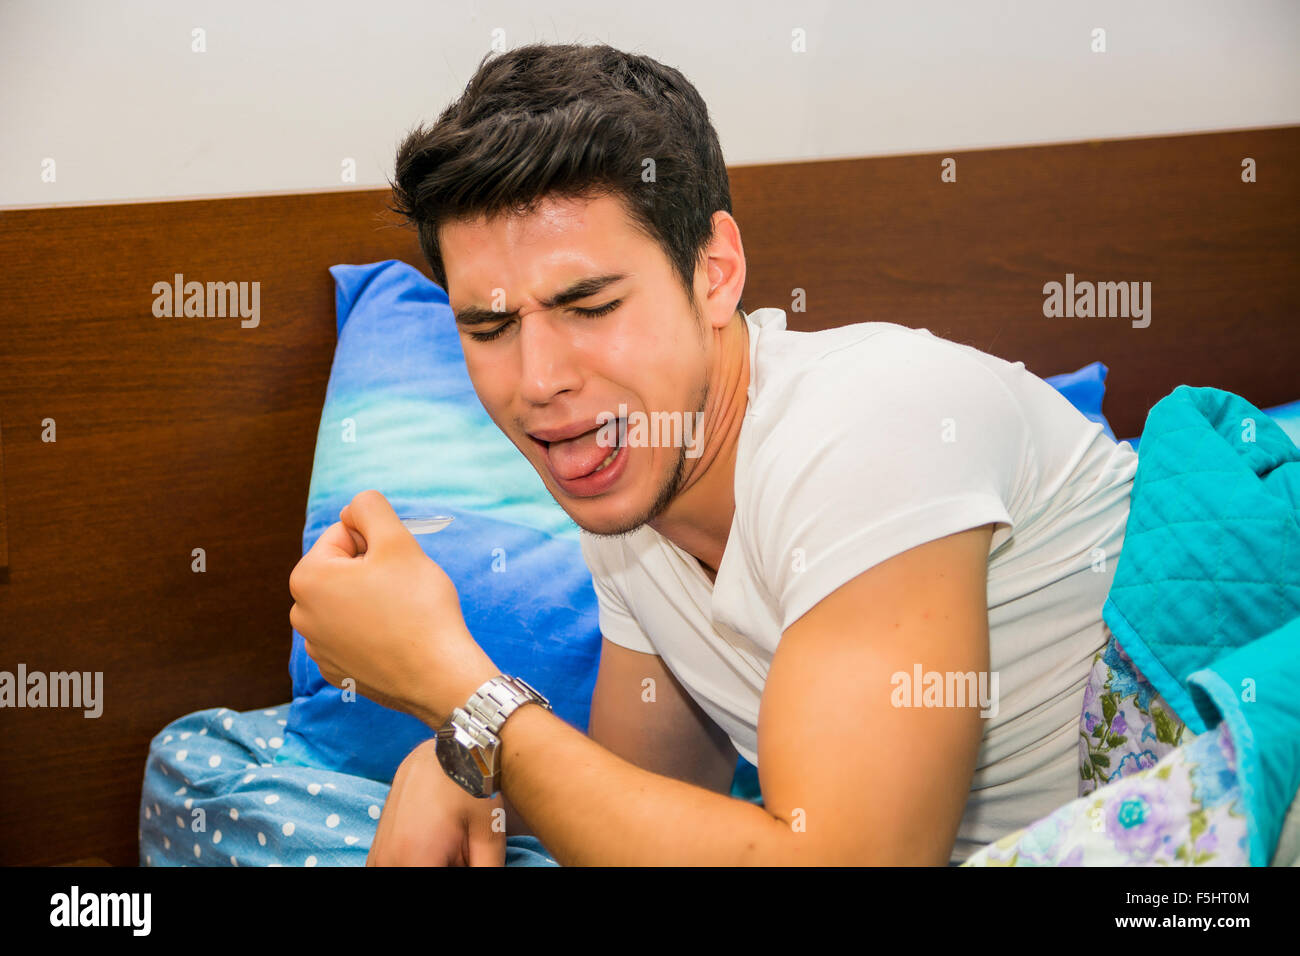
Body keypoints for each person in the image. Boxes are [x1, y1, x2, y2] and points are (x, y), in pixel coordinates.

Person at [288, 42, 1138, 865]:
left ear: (716, 273)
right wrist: (463, 762)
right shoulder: (632, 492)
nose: (539, 381)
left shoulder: (867, 423)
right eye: (490, 325)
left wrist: (464, 697)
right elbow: (641, 802)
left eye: (589, 306)